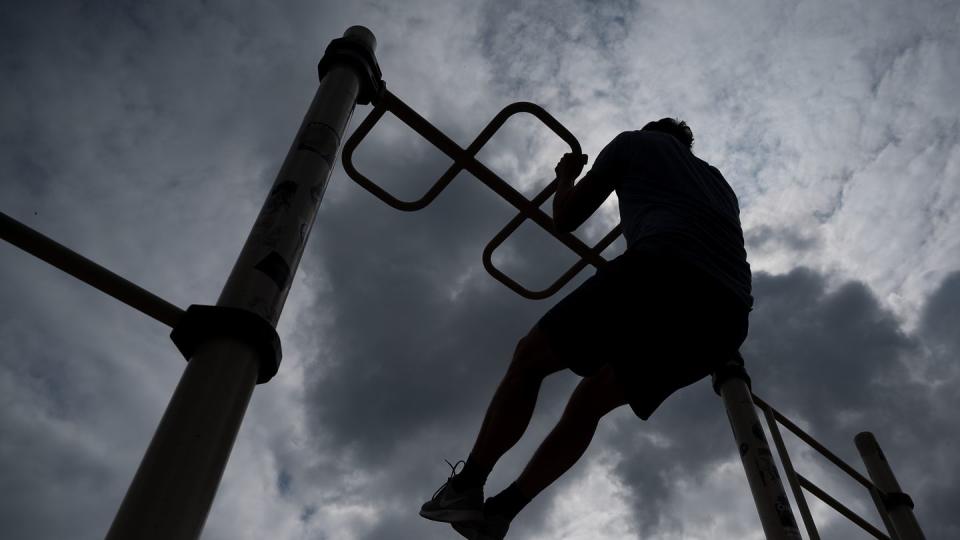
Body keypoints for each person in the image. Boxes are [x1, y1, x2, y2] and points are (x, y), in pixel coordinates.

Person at [419, 118, 753, 539]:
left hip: (663, 266)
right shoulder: (719, 182)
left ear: (652, 129)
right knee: (592, 397)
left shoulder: (635, 143)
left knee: (530, 359)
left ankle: (466, 488)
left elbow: (566, 217)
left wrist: (566, 177)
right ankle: (502, 511)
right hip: (727, 318)